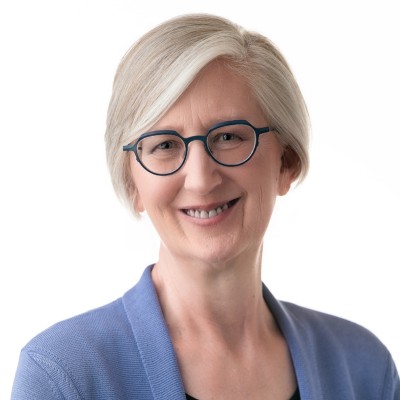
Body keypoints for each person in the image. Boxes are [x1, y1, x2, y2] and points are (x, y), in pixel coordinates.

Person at [12, 13, 399, 400]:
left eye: (228, 137)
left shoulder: (365, 370)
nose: (200, 179)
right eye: (165, 145)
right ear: (132, 184)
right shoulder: (62, 377)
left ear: (287, 162)